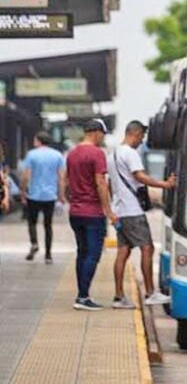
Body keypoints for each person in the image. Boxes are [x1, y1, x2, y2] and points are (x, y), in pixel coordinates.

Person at [108, 121, 176, 309]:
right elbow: (140, 177)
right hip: (132, 211)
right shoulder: (130, 153)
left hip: (120, 210)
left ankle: (119, 297)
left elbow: (109, 184)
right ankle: (150, 293)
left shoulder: (112, 154)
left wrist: (112, 209)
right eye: (142, 137)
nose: (141, 141)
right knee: (147, 248)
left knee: (123, 252)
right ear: (135, 133)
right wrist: (165, 185)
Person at [67, 119, 116, 311]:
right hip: (92, 212)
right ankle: (82, 297)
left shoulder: (72, 153)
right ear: (96, 132)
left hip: (75, 212)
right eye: (103, 134)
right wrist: (109, 211)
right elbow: (101, 183)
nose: (103, 138)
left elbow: (67, 182)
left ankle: (82, 295)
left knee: (82, 252)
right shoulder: (97, 153)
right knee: (93, 254)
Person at [21, 132, 65, 263]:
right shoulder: (57, 155)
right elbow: (61, 178)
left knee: (32, 222)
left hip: (34, 195)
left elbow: (26, 176)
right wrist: (61, 195)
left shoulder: (31, 154)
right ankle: (48, 255)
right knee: (48, 225)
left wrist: (23, 191)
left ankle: (34, 243)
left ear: (39, 141)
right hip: (50, 196)